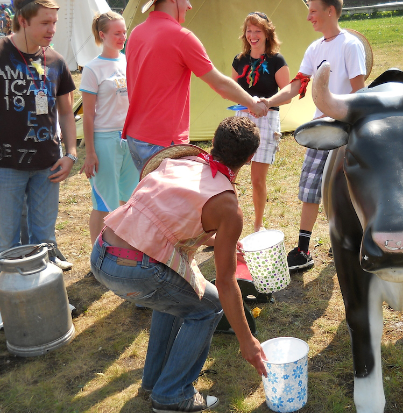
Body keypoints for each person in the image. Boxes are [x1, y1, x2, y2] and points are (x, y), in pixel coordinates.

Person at [90, 117, 267, 413]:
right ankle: (172, 394)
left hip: (101, 254)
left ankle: (154, 382)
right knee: (208, 307)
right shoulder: (228, 207)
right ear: (250, 159)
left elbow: (160, 219)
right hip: (135, 270)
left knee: (176, 297)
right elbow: (225, 282)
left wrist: (217, 241)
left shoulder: (178, 163)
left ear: (214, 143)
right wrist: (247, 341)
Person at [261, 0, 366, 271]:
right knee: (310, 187)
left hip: (346, 129)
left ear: (330, 11)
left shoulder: (350, 45)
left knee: (350, 190)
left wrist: (347, 121)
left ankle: (354, 241)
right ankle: (302, 250)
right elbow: (297, 85)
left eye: (313, 11)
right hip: (321, 129)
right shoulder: (315, 48)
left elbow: (359, 91)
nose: (308, 17)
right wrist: (269, 101)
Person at [123, 0, 268, 172]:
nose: (190, 5)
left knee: (150, 195)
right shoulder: (180, 36)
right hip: (162, 141)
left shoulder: (136, 32)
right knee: (172, 198)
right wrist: (252, 103)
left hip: (135, 136)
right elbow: (219, 84)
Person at [0, 0, 77, 254]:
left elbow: (66, 113)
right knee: (5, 244)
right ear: (23, 20)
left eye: (54, 22)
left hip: (48, 166)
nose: (52, 29)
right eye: (45, 23)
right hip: (6, 166)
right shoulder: (1, 52)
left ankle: (43, 292)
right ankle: (10, 293)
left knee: (44, 242)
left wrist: (71, 154)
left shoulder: (55, 60)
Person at [79, 12, 139, 245]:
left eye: (124, 32)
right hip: (104, 140)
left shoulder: (128, 61)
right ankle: (98, 256)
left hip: (129, 139)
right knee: (104, 202)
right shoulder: (92, 69)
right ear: (102, 35)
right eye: (117, 33)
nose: (122, 37)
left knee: (127, 198)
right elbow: (88, 116)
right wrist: (90, 152)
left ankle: (120, 250)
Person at [231, 11, 290, 232]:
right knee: (230, 174)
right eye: (249, 31)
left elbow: (288, 93)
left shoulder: (277, 60)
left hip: (267, 119)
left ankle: (257, 225)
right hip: (242, 119)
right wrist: (246, 103)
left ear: (267, 34)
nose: (253, 36)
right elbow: (231, 90)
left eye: (258, 31)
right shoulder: (240, 60)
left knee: (257, 179)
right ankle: (229, 222)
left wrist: (266, 103)